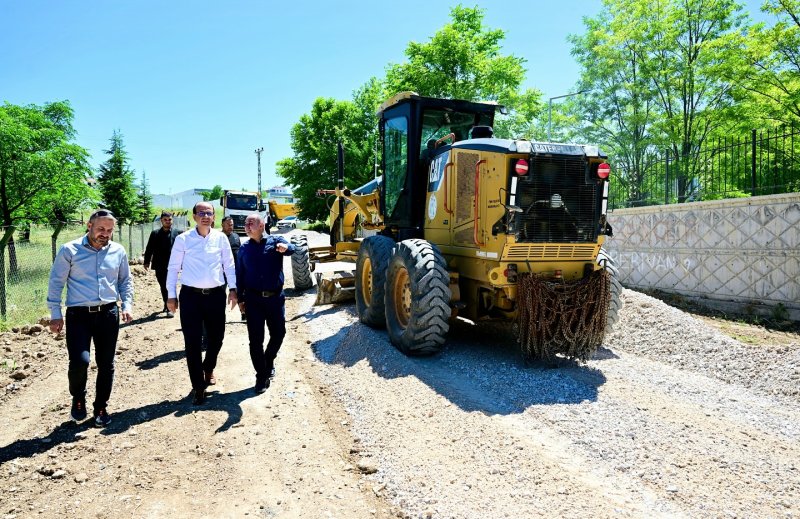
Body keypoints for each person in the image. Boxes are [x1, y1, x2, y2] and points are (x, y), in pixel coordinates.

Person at [47, 209, 134, 427]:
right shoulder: (70, 250)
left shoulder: (118, 251)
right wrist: (55, 315)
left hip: (108, 313)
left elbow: (125, 281)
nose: (105, 234)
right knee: (80, 361)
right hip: (78, 315)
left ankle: (101, 405)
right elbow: (56, 283)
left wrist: (127, 305)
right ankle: (78, 397)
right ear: (89, 226)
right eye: (101, 229)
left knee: (107, 364)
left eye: (109, 230)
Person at [167, 201, 237, 405]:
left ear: (214, 217)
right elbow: (173, 268)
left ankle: (209, 367)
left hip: (215, 295)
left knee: (217, 338)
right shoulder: (183, 240)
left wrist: (233, 289)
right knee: (192, 342)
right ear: (194, 216)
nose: (206, 216)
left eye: (209, 213)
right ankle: (198, 386)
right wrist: (171, 295)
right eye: (201, 213)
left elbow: (229, 265)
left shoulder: (221, 238)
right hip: (191, 297)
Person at [237, 213, 295, 394]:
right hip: (253, 300)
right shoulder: (244, 249)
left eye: (251, 223)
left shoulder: (275, 241)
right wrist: (240, 298)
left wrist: (286, 247)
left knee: (279, 333)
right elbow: (239, 275)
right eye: (246, 223)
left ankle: (268, 360)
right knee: (255, 340)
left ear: (262, 225)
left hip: (275, 299)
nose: (247, 226)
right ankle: (261, 376)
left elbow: (292, 248)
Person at [143, 211, 179, 317]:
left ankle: (171, 307)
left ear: (172, 220)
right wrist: (146, 261)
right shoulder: (155, 233)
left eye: (169, 220)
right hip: (159, 265)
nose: (168, 222)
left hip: (173, 265)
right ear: (161, 221)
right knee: (163, 286)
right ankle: (167, 304)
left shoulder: (178, 233)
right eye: (165, 220)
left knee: (171, 285)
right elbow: (149, 248)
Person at [221, 216, 245, 321]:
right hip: (222, 271)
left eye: (232, 224)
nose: (231, 226)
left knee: (241, 292)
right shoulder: (219, 237)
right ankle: (221, 315)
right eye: (228, 224)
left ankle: (244, 313)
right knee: (221, 294)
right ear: (222, 225)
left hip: (236, 270)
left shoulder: (236, 236)